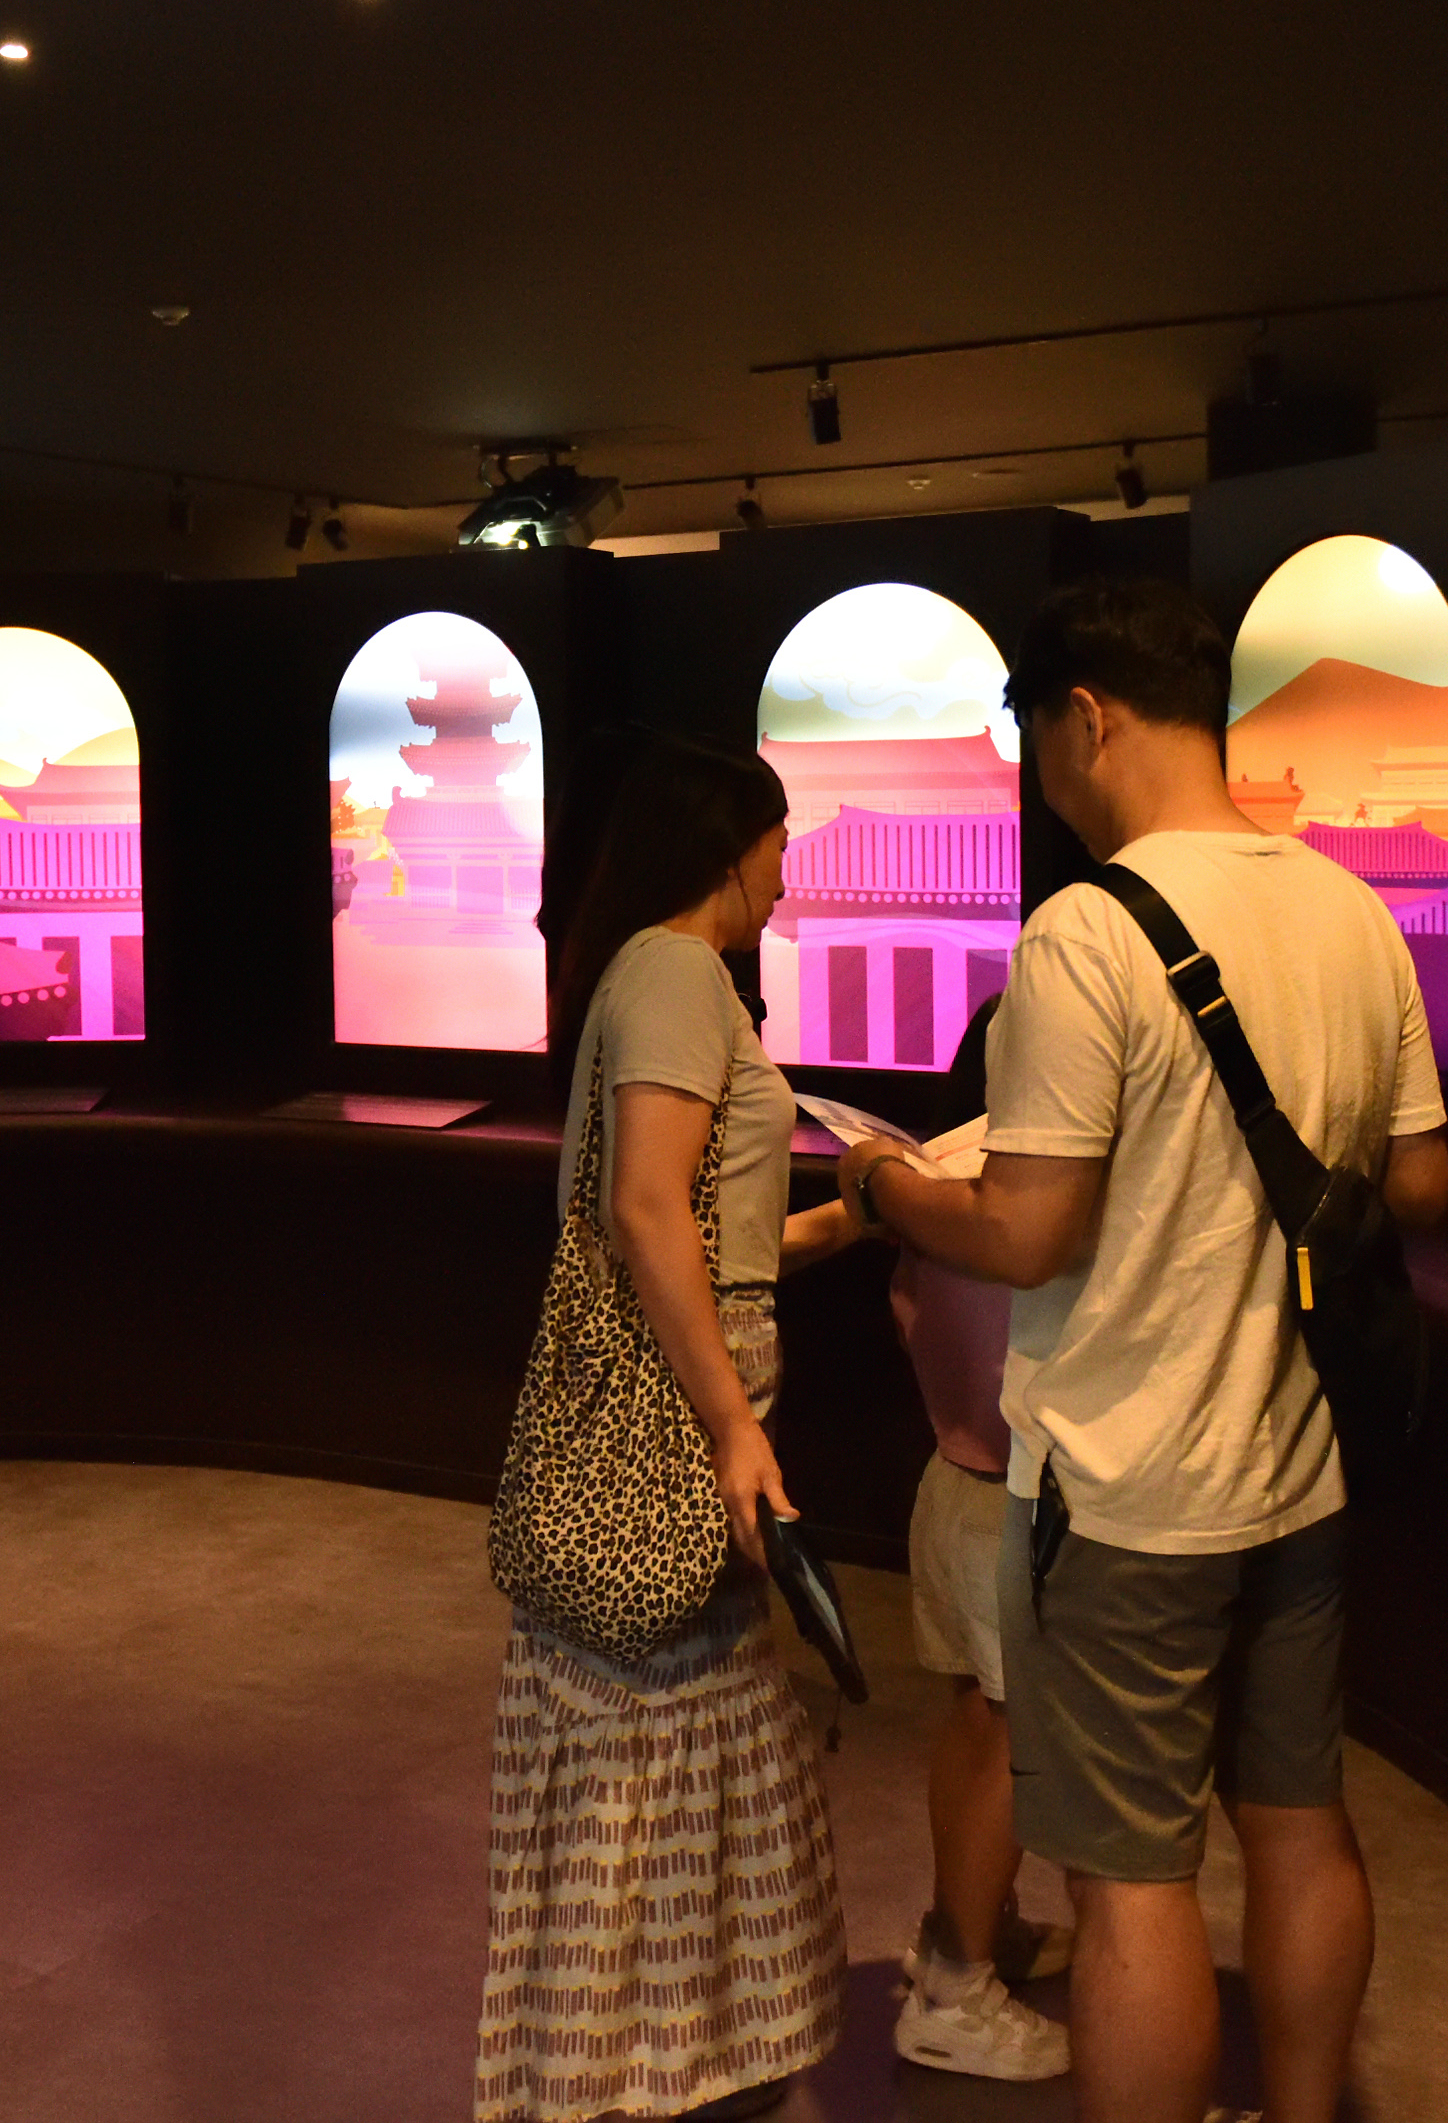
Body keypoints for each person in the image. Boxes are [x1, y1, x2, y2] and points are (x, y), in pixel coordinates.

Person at [838, 578, 1448, 2123]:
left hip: (1123, 1491)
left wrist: (887, 1189)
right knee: (1301, 1827)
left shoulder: (1086, 933)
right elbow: (1422, 1182)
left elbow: (1027, 1233)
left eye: (1037, 742)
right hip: (1299, 1472)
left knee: (1131, 1883)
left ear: (1087, 719)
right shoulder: (1352, 910)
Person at [476, 738, 870, 2123]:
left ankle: (655, 2051)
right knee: (654, 1732)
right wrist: (729, 1426)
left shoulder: (657, 974)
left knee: (670, 1731)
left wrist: (854, 1216)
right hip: (677, 1412)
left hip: (682, 1383)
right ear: (728, 843)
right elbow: (647, 1209)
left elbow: (706, 1237)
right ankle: (635, 2067)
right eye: (779, 840)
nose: (787, 870)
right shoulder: (677, 970)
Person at [881, 1009, 1076, 2083]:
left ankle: (961, 1926)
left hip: (947, 1482)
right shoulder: (1038, 1198)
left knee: (972, 1722)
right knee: (1015, 1739)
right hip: (1019, 1501)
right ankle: (957, 1989)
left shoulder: (932, 1175)